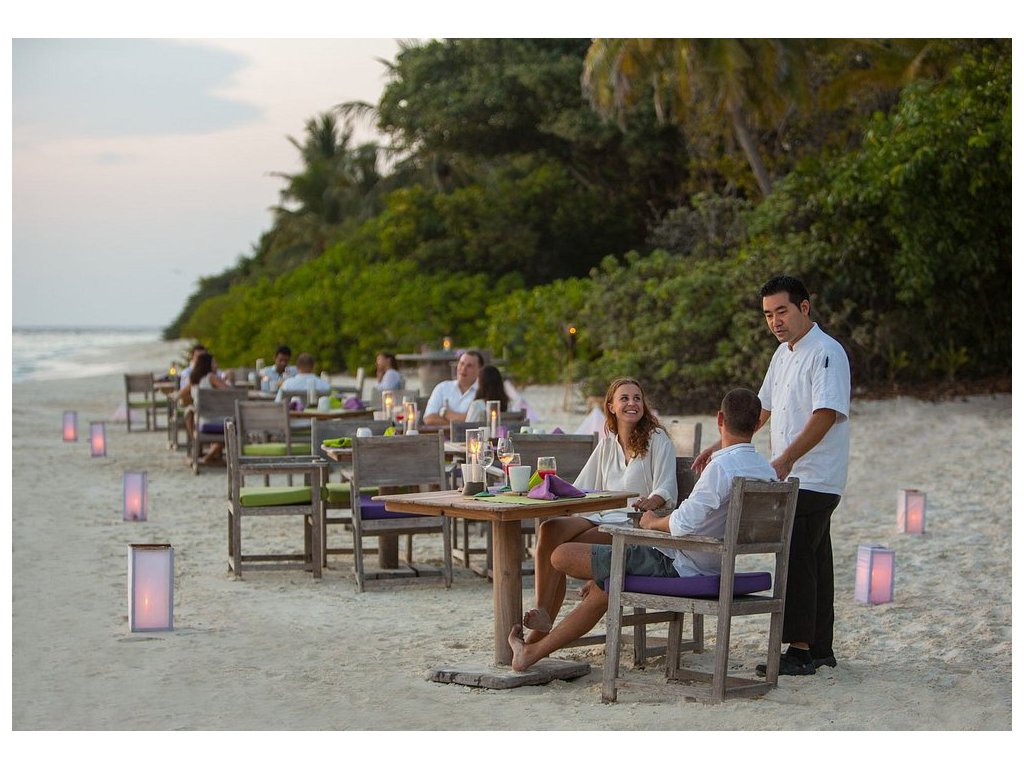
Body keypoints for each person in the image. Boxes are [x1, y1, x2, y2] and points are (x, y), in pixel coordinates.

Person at [509, 387, 774, 672]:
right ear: (758, 424)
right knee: (603, 589)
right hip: (710, 562)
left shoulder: (720, 468)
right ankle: (530, 653)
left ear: (719, 419)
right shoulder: (767, 470)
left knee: (561, 555)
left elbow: (682, 523)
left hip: (678, 564)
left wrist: (652, 523)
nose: (631, 403)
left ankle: (536, 640)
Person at [694, 275, 851, 676]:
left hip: (815, 475)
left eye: (782, 311)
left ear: (804, 307)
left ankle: (799, 651)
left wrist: (785, 460)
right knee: (816, 556)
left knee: (797, 556)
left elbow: (826, 414)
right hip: (795, 475)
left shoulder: (826, 352)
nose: (775, 321)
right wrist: (719, 446)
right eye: (768, 315)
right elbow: (761, 410)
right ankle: (820, 649)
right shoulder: (782, 354)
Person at [522, 377, 676, 646]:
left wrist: (653, 500)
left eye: (637, 398)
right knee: (550, 528)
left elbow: (667, 486)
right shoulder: (608, 443)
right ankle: (543, 611)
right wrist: (546, 488)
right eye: (624, 398)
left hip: (632, 524)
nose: (632, 403)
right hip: (601, 516)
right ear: (611, 407)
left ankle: (539, 632)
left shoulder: (658, 439)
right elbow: (582, 488)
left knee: (565, 547)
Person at [422, 350, 484, 426]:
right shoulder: (442, 387)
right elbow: (429, 418)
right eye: (461, 363)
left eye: (469, 366)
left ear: (479, 370)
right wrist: (460, 424)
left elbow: (479, 421)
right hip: (442, 434)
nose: (463, 368)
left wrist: (445, 414)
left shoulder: (483, 391)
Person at [189, 351, 230, 464]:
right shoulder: (211, 377)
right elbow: (230, 393)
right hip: (214, 420)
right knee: (235, 425)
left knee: (230, 423)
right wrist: (227, 380)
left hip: (201, 420)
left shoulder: (194, 379)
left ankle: (211, 456)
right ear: (208, 364)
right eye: (214, 363)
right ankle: (209, 456)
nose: (216, 365)